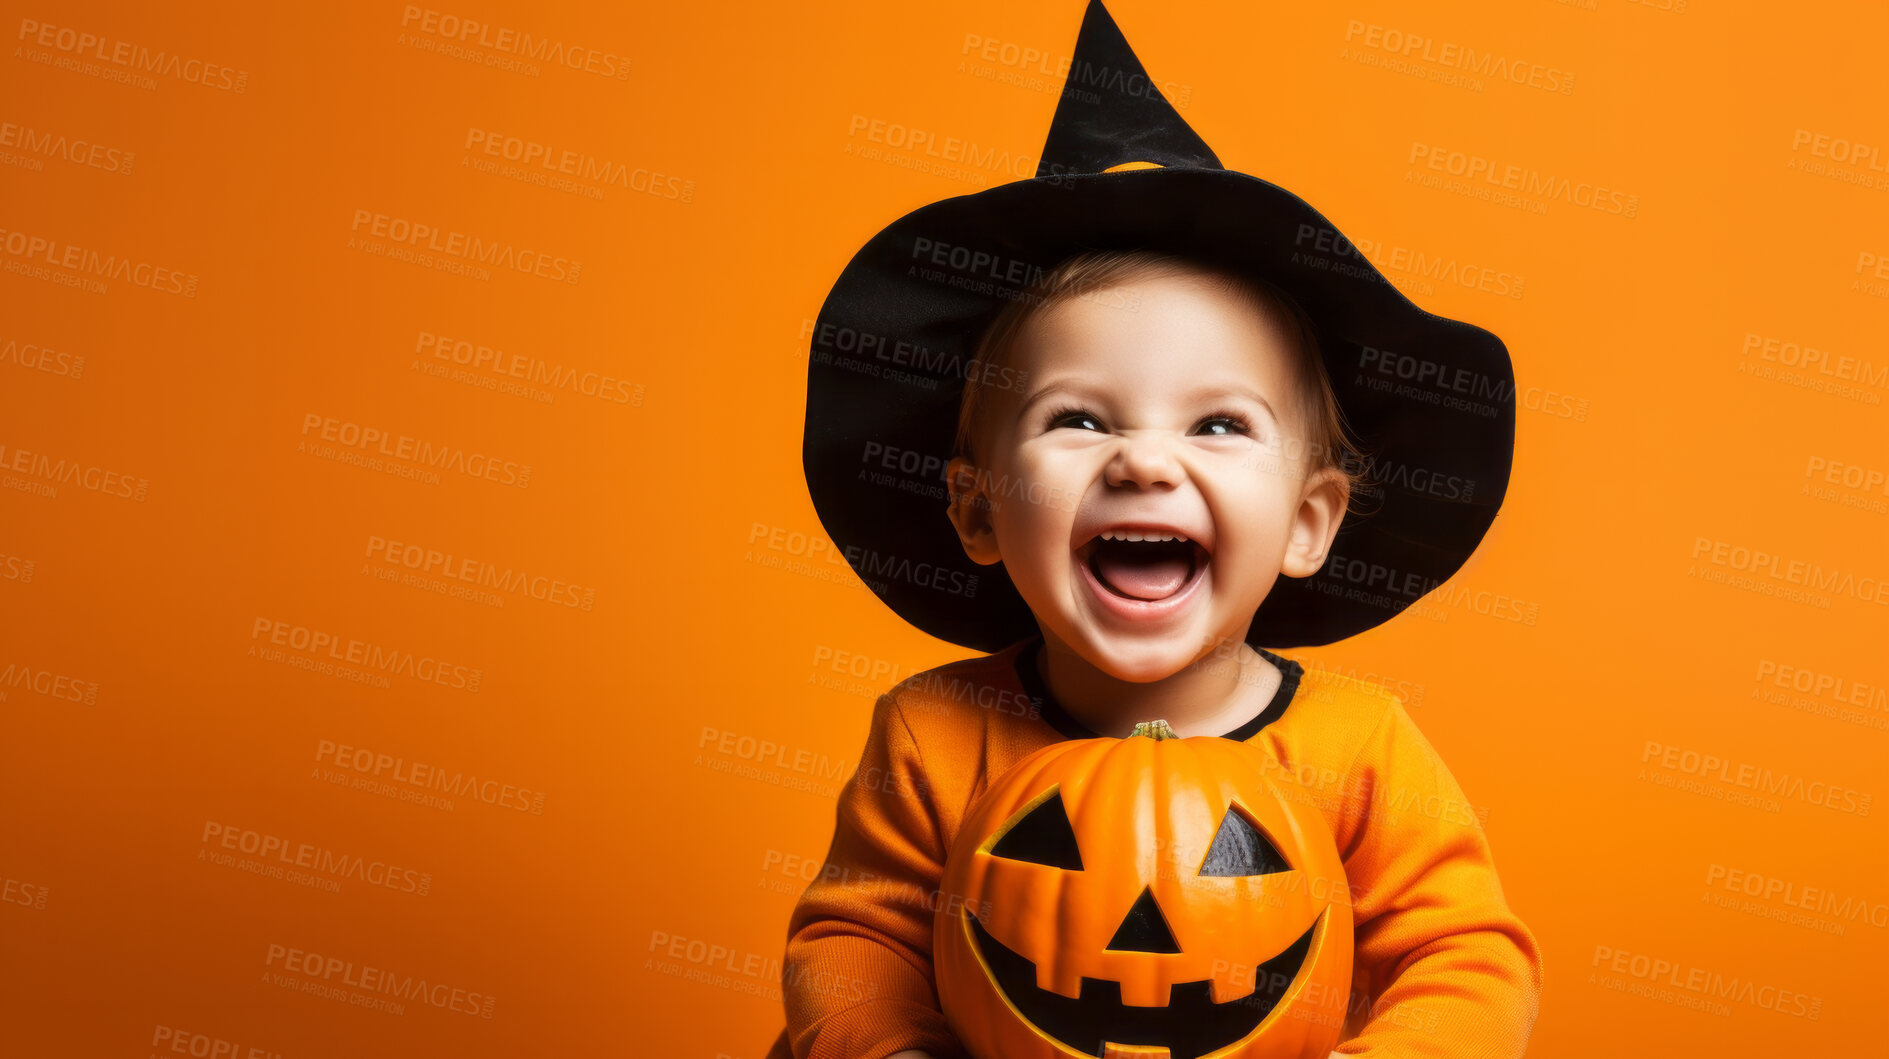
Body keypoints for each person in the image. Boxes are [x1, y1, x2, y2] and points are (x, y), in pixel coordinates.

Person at [771, 3, 1541, 1056]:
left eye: (1217, 424)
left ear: (1308, 523)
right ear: (977, 511)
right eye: (1078, 419)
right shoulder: (932, 735)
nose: (1142, 461)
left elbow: (1463, 959)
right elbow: (855, 937)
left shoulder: (1359, 749)